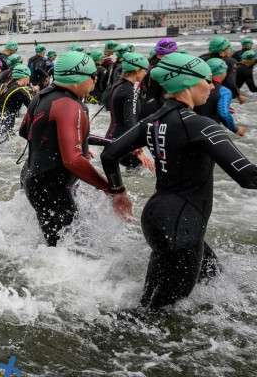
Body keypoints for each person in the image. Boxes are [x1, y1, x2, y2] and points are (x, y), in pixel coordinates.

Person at [100, 52, 257, 313]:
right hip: (182, 225)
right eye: (206, 80)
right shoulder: (202, 126)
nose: (211, 86)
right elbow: (248, 176)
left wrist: (119, 192)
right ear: (187, 83)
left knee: (211, 279)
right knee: (155, 314)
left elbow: (109, 154)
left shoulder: (152, 122)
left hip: (157, 218)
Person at [18, 51, 132, 246]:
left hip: (33, 178)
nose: (95, 82)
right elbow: (72, 160)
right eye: (93, 77)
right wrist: (112, 189)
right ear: (79, 78)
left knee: (56, 245)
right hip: (52, 188)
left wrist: (66, 143)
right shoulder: (69, 105)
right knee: (68, 252)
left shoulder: (41, 96)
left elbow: (24, 131)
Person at [99, 52, 154, 170]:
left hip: (111, 138)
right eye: (144, 69)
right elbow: (130, 121)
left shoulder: (116, 85)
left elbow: (105, 101)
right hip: (124, 143)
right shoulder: (130, 91)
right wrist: (138, 150)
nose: (146, 72)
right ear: (136, 70)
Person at [194, 58, 245, 136]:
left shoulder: (195, 86)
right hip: (210, 131)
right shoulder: (224, 91)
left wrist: (216, 106)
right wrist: (236, 130)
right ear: (223, 72)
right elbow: (224, 115)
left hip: (192, 127)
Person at [0, 64, 33, 142]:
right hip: (5, 126)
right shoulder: (22, 91)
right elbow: (34, 110)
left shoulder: (3, 86)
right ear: (26, 77)